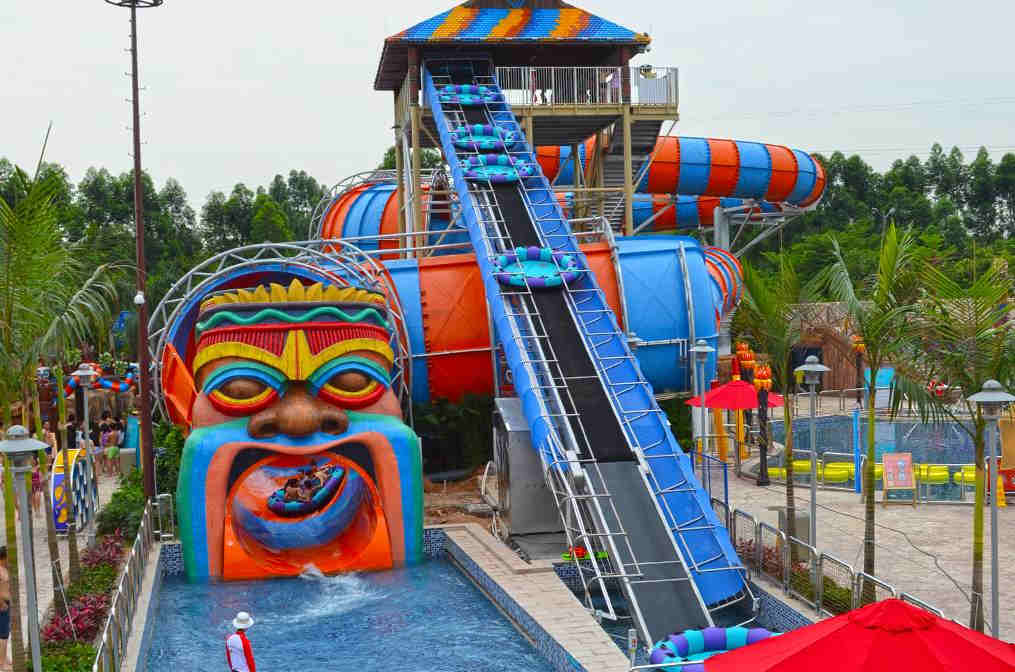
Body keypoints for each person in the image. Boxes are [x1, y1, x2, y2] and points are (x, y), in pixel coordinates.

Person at [0, 547, 10, 672]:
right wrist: (1, 603)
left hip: (7, 603)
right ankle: (1, 665)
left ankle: (4, 658)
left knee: (5, 633)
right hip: (2, 605)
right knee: (3, 635)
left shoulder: (5, 568)